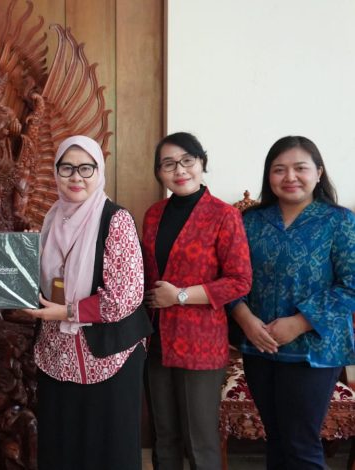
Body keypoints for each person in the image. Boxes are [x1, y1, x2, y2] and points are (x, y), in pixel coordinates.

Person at [22, 135, 152, 469]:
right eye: (66, 168)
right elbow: (41, 281)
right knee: (63, 447)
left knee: (107, 450)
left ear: (99, 171)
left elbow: (125, 297)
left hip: (109, 355)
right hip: (58, 355)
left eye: (85, 168)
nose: (76, 177)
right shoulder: (52, 219)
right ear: (56, 172)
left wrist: (66, 311)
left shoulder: (115, 219)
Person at [230, 136, 355, 470]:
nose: (290, 177)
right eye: (279, 169)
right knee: (276, 440)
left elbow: (351, 284)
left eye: (300, 168)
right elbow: (230, 277)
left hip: (314, 350)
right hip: (259, 346)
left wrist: (299, 322)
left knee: (301, 444)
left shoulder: (338, 221)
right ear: (268, 175)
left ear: (319, 172)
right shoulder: (250, 221)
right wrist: (245, 319)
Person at [142, 132, 252, 469]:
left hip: (200, 343)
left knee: (199, 441)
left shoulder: (223, 215)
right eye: (168, 164)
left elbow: (239, 280)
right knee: (164, 437)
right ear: (158, 172)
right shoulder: (153, 214)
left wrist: (180, 296)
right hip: (156, 339)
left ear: (202, 163)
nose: (179, 170)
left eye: (187, 160)